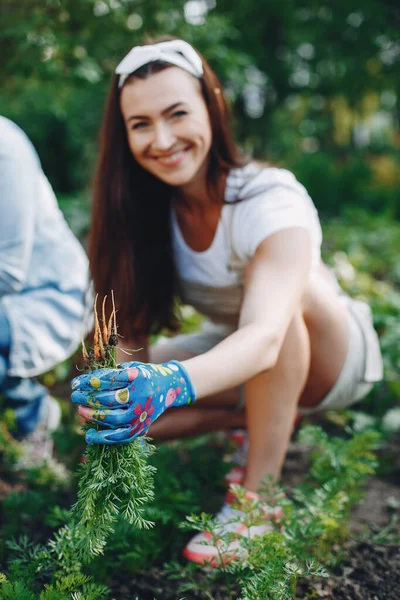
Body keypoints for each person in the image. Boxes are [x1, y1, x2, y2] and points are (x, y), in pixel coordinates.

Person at [71, 39, 383, 565]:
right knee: (107, 410)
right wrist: (113, 391)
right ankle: (262, 424)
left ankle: (258, 504)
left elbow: (263, 336)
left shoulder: (268, 197)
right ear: (124, 136)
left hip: (331, 360)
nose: (163, 139)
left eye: (177, 114)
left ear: (211, 107)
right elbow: (132, 347)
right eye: (141, 124)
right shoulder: (144, 217)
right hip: (247, 356)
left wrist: (172, 383)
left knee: (285, 307)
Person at [0, 116, 90, 465]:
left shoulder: (6, 148)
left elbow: (9, 272)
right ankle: (29, 406)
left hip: (48, 294)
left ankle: (32, 412)